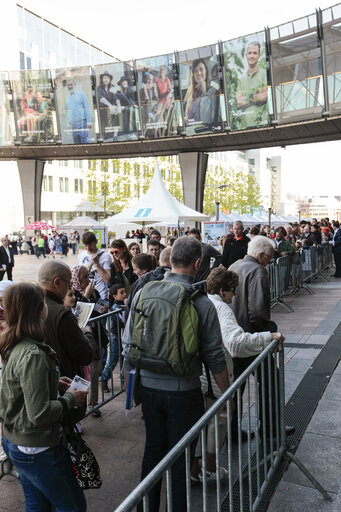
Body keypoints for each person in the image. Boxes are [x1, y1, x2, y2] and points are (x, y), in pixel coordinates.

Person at [123, 237, 231, 511]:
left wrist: (130, 388)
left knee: (153, 450)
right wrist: (227, 393)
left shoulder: (143, 293)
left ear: (170, 261)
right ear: (198, 264)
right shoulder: (201, 302)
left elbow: (128, 345)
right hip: (184, 391)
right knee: (182, 459)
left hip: (148, 387)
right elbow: (215, 357)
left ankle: (146, 507)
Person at [0, 282, 88, 512]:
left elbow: (21, 386)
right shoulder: (33, 354)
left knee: (37, 505)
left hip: (17, 441)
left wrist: (53, 382)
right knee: (73, 506)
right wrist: (70, 399)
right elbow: (39, 413)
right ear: (39, 310)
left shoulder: (13, 342)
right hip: (37, 447)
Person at [192, 267, 284, 476]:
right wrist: (268, 337)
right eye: (233, 292)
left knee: (201, 428)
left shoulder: (201, 301)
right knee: (217, 425)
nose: (234, 297)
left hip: (200, 374)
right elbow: (235, 343)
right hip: (214, 377)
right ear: (223, 291)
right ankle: (211, 469)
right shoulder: (221, 307)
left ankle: (196, 471)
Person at [229, 236, 295, 439]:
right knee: (270, 381)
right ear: (260, 255)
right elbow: (257, 311)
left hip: (235, 336)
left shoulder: (235, 265)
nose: (270, 260)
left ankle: (232, 431)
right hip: (252, 338)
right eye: (269, 256)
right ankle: (270, 427)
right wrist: (268, 333)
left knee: (237, 388)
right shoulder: (258, 271)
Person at [38, 261, 94, 381]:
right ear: (57, 282)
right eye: (68, 282)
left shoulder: (29, 306)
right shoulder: (62, 314)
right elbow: (85, 355)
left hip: (43, 378)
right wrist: (87, 333)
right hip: (65, 382)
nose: (70, 286)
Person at [236, 41, 269, 129]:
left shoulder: (264, 74)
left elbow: (264, 97)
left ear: (259, 55)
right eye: (250, 53)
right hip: (244, 124)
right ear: (246, 55)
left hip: (261, 122)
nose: (252, 56)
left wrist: (246, 98)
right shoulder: (241, 80)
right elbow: (238, 103)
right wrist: (255, 96)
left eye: (255, 53)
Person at [101, 283, 126, 392]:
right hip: (115, 335)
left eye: (125, 292)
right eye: (121, 293)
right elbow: (123, 320)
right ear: (114, 296)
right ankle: (104, 379)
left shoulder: (121, 305)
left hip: (120, 335)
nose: (125, 294)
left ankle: (123, 380)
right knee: (113, 358)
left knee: (123, 358)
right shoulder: (116, 307)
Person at [184, 58, 219, 131]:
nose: (199, 73)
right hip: (190, 129)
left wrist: (204, 92)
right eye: (196, 71)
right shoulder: (190, 90)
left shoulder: (212, 89)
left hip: (205, 129)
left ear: (206, 71)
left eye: (201, 69)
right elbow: (184, 114)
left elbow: (208, 117)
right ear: (193, 74)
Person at [78, 232, 111, 300]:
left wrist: (97, 264)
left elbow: (107, 279)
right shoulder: (81, 256)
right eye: (85, 245)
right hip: (86, 295)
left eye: (90, 244)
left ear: (96, 242)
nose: (88, 248)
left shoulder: (105, 255)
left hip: (101, 296)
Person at [66, 77, 92, 144]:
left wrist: (89, 122)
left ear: (75, 85)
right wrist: (68, 124)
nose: (70, 86)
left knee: (85, 144)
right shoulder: (67, 97)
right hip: (73, 126)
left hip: (82, 124)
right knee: (77, 146)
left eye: (71, 84)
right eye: (68, 85)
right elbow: (68, 111)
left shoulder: (81, 94)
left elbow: (87, 107)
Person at [97, 70, 120, 141]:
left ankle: (115, 136)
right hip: (103, 112)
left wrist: (118, 105)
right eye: (104, 78)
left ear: (110, 80)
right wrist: (110, 105)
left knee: (116, 117)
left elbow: (116, 98)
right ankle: (105, 138)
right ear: (102, 79)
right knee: (105, 128)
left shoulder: (111, 88)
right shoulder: (99, 88)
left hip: (112, 111)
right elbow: (101, 98)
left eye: (107, 78)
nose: (106, 79)